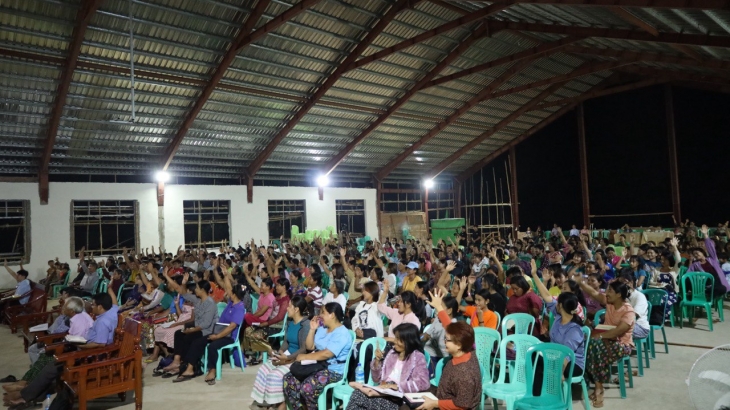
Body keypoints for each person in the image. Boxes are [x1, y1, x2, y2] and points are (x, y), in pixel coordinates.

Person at [3, 292, 119, 407]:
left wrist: (80, 345)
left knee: (52, 367)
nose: (90, 307)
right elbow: (115, 305)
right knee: (51, 366)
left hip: (90, 356)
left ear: (100, 307)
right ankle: (28, 395)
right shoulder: (107, 314)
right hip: (86, 351)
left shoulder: (103, 322)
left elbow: (100, 344)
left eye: (93, 305)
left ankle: (25, 396)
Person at [283, 302, 353, 410]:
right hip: (317, 365)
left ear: (332, 315)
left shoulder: (342, 333)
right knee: (289, 379)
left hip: (333, 370)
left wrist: (305, 357)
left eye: (323, 313)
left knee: (308, 386)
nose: (320, 315)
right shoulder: (322, 328)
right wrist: (312, 329)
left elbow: (327, 354)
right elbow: (310, 346)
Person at [346, 323, 431, 410]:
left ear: (408, 341)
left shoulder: (417, 357)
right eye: (395, 338)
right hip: (383, 391)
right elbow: (376, 379)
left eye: (399, 339)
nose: (395, 341)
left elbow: (423, 383)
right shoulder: (392, 354)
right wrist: (377, 361)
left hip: (398, 398)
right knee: (357, 394)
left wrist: (397, 386)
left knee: (359, 398)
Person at [423, 288, 482, 410]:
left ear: (459, 344)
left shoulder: (464, 373)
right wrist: (439, 307)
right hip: (443, 396)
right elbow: (449, 326)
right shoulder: (468, 349)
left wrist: (435, 404)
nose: (444, 342)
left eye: (448, 340)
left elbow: (462, 405)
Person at [250, 296, 311, 410]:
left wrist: (287, 357)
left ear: (296, 309)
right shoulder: (289, 322)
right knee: (263, 369)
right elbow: (286, 342)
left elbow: (303, 349)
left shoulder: (305, 325)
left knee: (275, 375)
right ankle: (264, 401)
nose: (287, 309)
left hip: (296, 358)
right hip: (286, 354)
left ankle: (279, 404)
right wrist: (279, 352)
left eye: (289, 306)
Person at [585, 281, 635, 408]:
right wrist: (580, 283)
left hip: (622, 345)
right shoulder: (610, 303)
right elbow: (593, 293)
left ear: (618, 294)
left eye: (610, 291)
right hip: (605, 341)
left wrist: (600, 335)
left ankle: (598, 388)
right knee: (588, 344)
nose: (606, 293)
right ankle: (598, 384)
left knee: (595, 345)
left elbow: (620, 330)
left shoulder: (628, 311)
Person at [159, 272, 218, 378]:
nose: (195, 290)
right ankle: (177, 361)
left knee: (190, 338)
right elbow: (182, 292)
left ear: (203, 290)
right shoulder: (197, 300)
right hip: (198, 328)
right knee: (178, 333)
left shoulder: (210, 303)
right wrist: (184, 283)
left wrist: (191, 330)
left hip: (207, 331)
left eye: (197, 288)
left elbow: (206, 324)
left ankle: (189, 367)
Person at [688, 224, 730, 301]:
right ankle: (707, 297)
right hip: (706, 284)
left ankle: (709, 299)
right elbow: (688, 274)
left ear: (703, 253)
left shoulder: (712, 259)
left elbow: (710, 247)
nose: (696, 255)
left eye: (697, 253)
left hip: (718, 282)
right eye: (694, 254)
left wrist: (705, 235)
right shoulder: (695, 264)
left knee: (722, 289)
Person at [505, 268, 543, 336]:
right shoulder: (513, 297)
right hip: (511, 323)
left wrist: (517, 322)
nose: (514, 291)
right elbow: (506, 310)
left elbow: (534, 315)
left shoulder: (531, 297)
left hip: (527, 326)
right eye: (512, 289)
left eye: (516, 289)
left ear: (523, 286)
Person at [618, 270, 650, 340]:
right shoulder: (619, 296)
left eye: (624, 282)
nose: (621, 285)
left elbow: (633, 316)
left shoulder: (639, 296)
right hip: (622, 323)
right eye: (619, 283)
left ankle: (622, 349)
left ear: (631, 283)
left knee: (616, 330)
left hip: (640, 327)